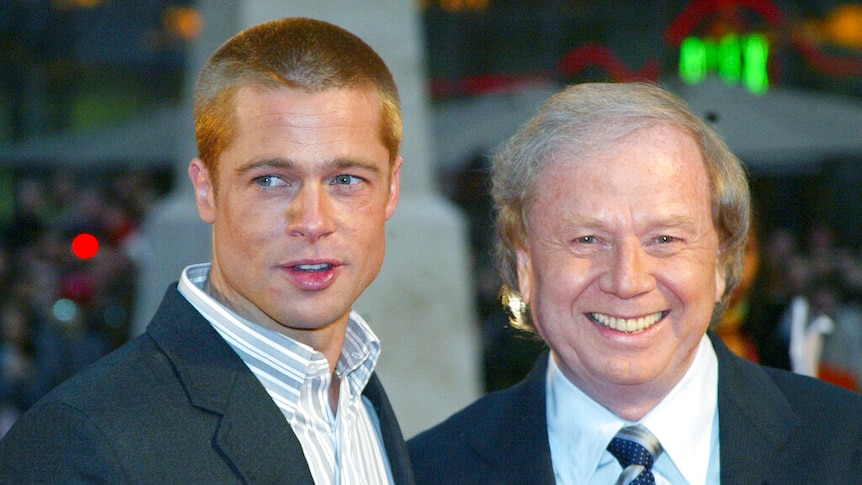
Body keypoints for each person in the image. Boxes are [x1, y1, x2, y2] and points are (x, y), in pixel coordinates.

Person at [0, 17, 414, 484]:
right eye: (271, 181)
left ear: (392, 188)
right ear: (206, 191)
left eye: (345, 180)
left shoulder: (366, 408)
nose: (314, 222)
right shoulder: (77, 443)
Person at [408, 82, 862, 484]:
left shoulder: (848, 448)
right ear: (525, 267)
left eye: (664, 239)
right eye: (587, 239)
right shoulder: (424, 472)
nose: (627, 280)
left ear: (723, 262)